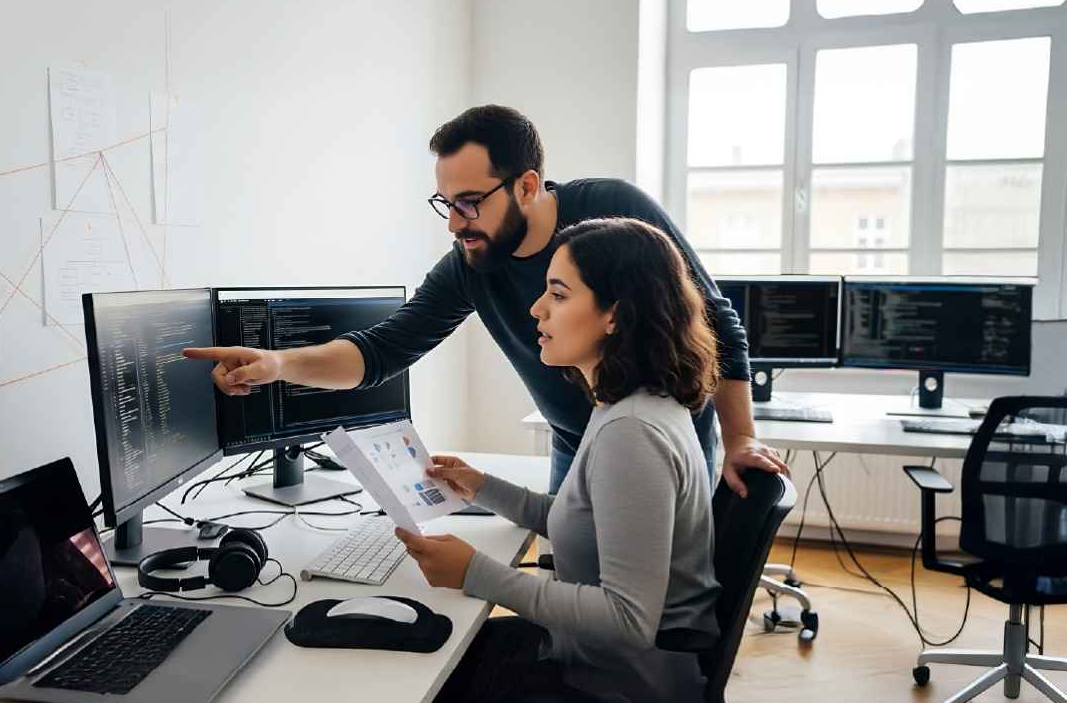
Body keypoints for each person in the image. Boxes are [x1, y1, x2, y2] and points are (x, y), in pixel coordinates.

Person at [183, 104, 785, 496]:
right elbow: (383, 350)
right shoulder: (472, 264)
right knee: (570, 577)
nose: (455, 223)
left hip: (659, 439)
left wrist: (739, 439)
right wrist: (281, 365)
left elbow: (715, 320)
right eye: (445, 203)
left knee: (650, 604)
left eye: (469, 202)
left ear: (526, 184)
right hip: (574, 439)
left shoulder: (613, 210)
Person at [397, 216, 723, 703]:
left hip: (623, 698)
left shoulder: (631, 432)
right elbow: (584, 522)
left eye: (558, 294)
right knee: (435, 652)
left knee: (421, 698)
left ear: (614, 315)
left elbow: (626, 618)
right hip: (605, 666)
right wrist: (482, 486)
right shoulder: (629, 404)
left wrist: (475, 572)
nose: (536, 309)